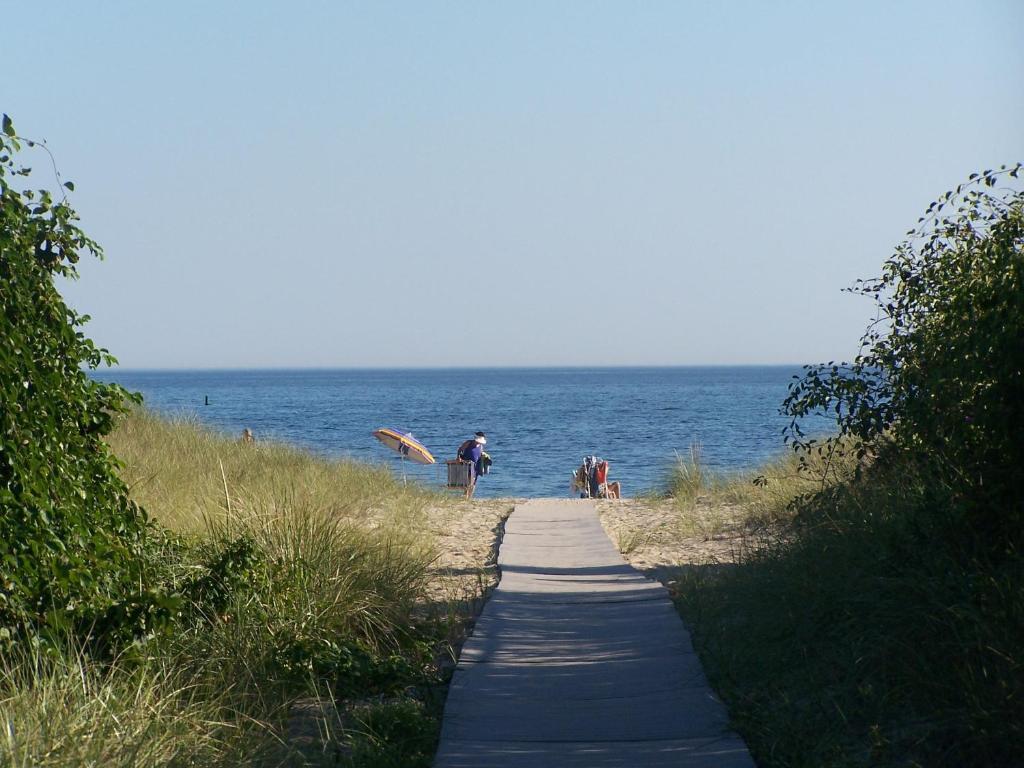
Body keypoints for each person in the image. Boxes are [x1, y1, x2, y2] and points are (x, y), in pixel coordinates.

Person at [456, 431, 487, 499]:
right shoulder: (468, 443)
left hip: (476, 466)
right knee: (469, 481)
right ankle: (465, 496)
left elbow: (479, 454)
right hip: (466, 464)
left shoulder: (480, 446)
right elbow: (460, 449)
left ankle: (469, 497)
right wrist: (458, 457)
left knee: (473, 482)